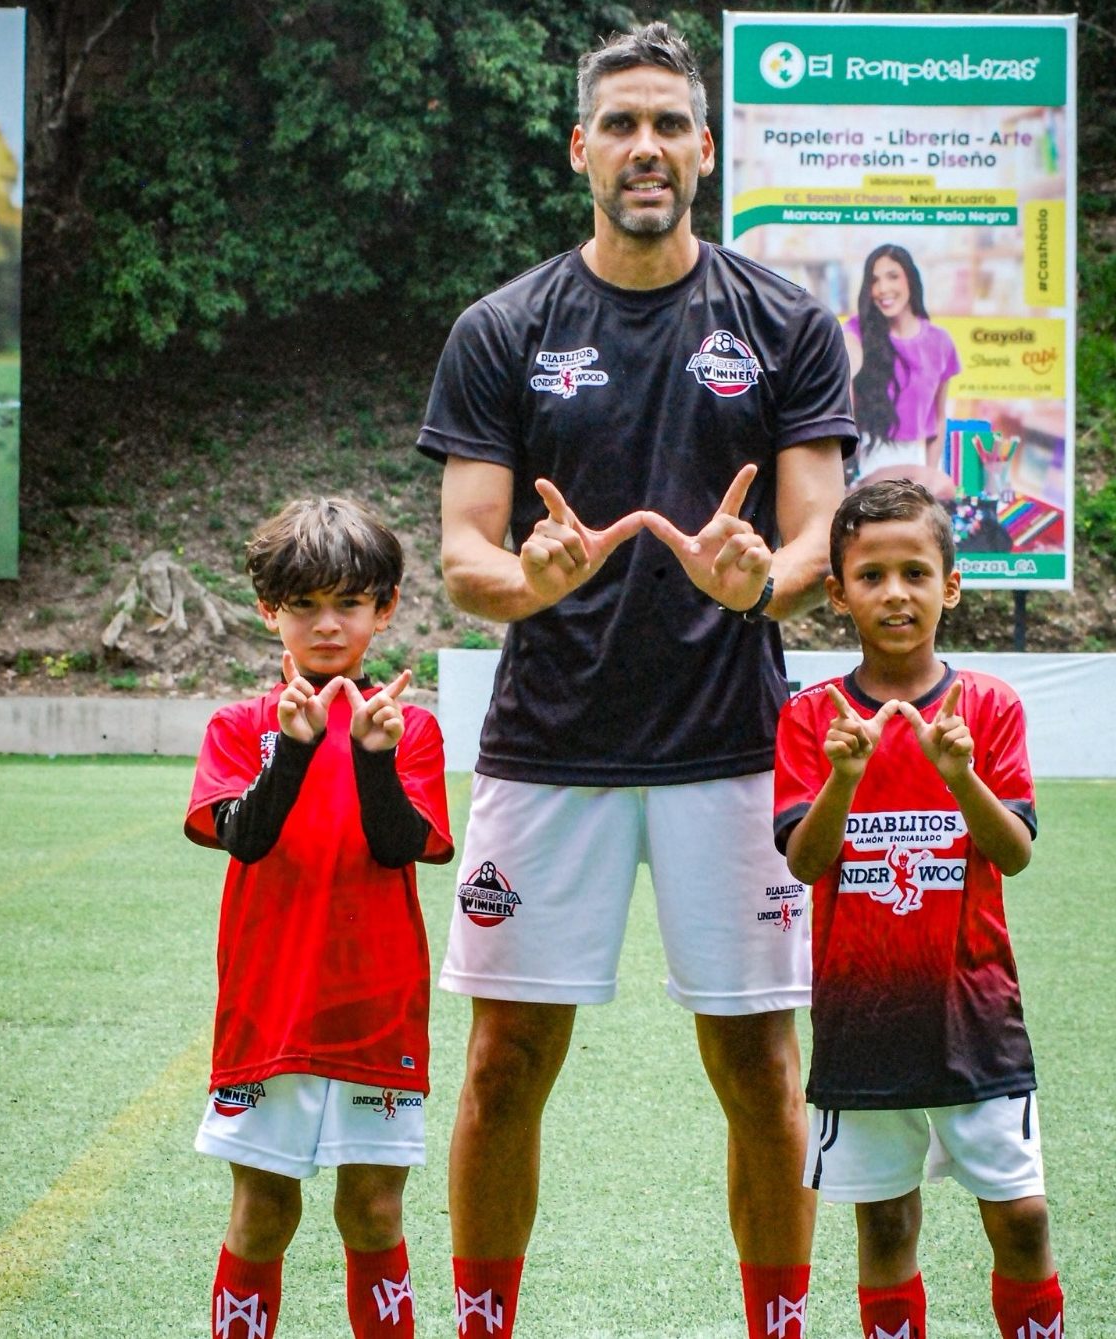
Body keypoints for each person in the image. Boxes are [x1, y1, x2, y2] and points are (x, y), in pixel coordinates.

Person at [416, 21, 855, 1338]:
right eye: (621, 123)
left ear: (705, 150)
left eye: (670, 122)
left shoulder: (785, 322)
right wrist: (527, 578)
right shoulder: (501, 328)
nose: (646, 145)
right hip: (549, 744)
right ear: (578, 150)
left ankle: (772, 1323)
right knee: (501, 1064)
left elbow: (810, 537)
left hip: (729, 743)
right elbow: (459, 553)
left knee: (757, 1065)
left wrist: (758, 583)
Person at [772, 480, 1064, 1339]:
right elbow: (804, 861)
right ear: (836, 593)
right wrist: (843, 778)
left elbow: (1012, 852)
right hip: (862, 1024)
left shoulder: (988, 707)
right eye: (870, 575)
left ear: (951, 585)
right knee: (886, 1226)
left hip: (976, 1019)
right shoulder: (810, 718)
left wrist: (958, 774)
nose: (894, 592)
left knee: (1020, 1218)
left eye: (914, 572)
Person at [184, 497, 454, 1339]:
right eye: (304, 605)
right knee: (261, 1213)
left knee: (373, 1212)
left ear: (386, 607)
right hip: (269, 1007)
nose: (326, 625)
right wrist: (294, 749)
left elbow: (400, 845)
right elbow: (246, 837)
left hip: (375, 1007)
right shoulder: (240, 725)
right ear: (270, 611)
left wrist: (373, 758)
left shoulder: (407, 728)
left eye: (348, 603)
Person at [841, 244, 960, 502]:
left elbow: (939, 418)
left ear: (910, 279)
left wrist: (930, 471)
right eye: (875, 280)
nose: (883, 288)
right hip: (869, 461)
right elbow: (842, 397)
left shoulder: (940, 342)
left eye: (892, 276)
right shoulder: (856, 332)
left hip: (921, 466)